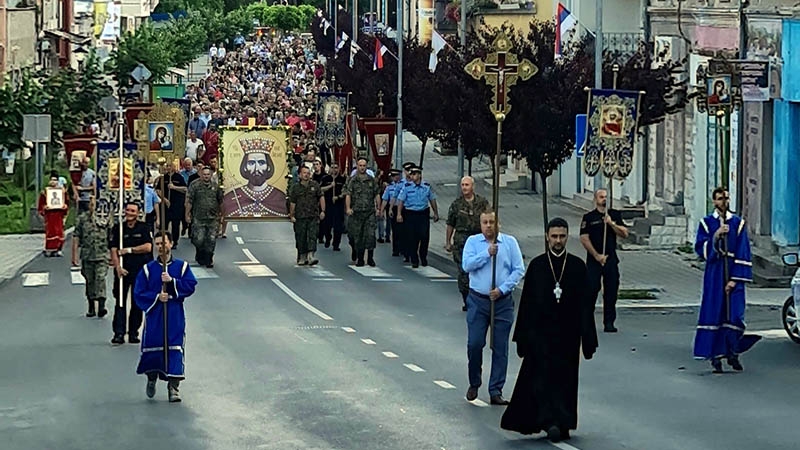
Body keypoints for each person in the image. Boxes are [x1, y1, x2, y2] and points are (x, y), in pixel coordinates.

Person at [501, 218, 598, 442]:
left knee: (566, 380)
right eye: (554, 236)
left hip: (568, 335)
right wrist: (522, 338)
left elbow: (585, 305)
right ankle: (548, 421)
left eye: (562, 236)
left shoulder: (576, 266)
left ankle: (564, 422)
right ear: (547, 237)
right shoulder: (537, 266)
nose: (558, 241)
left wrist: (588, 338)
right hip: (541, 336)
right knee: (542, 380)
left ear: (567, 237)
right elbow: (526, 304)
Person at [462, 211, 525, 406]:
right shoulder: (473, 242)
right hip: (478, 300)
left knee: (500, 347)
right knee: (475, 343)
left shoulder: (509, 242)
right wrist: (486, 253)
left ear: (499, 223)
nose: (489, 226)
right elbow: (467, 265)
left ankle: (496, 389)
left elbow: (518, 269)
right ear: (480, 224)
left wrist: (503, 289)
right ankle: (474, 381)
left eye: (492, 222)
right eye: (485, 222)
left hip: (502, 302)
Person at [694, 187, 757, 373]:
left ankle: (732, 352)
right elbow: (700, 248)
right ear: (714, 201)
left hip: (733, 272)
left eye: (726, 198)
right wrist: (716, 235)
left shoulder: (738, 223)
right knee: (715, 313)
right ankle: (715, 356)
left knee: (734, 315)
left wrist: (735, 279)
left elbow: (743, 251)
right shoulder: (706, 223)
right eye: (720, 199)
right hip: (715, 273)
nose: (724, 202)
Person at [134, 231, 198, 403]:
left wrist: (172, 282)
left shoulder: (182, 267)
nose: (161, 247)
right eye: (158, 244)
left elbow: (191, 285)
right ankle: (151, 377)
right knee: (153, 347)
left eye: (164, 243)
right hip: (155, 315)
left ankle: (173, 387)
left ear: (170, 244)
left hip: (174, 313)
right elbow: (139, 292)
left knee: (174, 348)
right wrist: (156, 297)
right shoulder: (148, 270)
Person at [579, 188, 628, 332]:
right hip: (595, 260)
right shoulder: (589, 217)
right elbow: (584, 238)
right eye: (601, 197)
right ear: (596, 199)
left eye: (606, 197)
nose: (604, 199)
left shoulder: (614, 215)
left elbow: (625, 233)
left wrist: (612, 224)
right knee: (591, 290)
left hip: (611, 259)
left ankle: (609, 322)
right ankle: (587, 321)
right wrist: (596, 256)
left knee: (611, 292)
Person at [109, 202, 153, 345]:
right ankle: (119, 333)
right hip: (123, 270)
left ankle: (133, 332)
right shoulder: (118, 228)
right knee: (120, 302)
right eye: (127, 210)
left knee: (137, 303)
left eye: (133, 211)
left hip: (139, 271)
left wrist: (129, 250)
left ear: (138, 213)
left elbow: (147, 247)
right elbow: (114, 249)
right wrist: (117, 268)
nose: (130, 213)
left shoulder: (144, 228)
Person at [446, 176, 490, 311]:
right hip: (462, 242)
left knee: (480, 271)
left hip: (479, 241)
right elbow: (450, 224)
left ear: (473, 186)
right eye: (462, 185)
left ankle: (479, 300)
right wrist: (448, 242)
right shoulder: (456, 205)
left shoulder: (482, 203)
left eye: (467, 185)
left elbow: (489, 219)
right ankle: (467, 299)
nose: (464, 187)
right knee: (464, 273)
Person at [222, 139, 287, 218]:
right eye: (251, 163)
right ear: (245, 167)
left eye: (261, 163)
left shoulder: (278, 196)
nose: (256, 168)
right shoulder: (232, 196)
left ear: (268, 167)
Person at [72, 196, 110, 318]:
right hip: (87, 255)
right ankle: (91, 306)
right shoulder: (82, 219)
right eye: (91, 204)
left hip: (102, 254)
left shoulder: (105, 217)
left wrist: (113, 254)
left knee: (100, 278)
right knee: (90, 281)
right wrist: (74, 255)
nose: (93, 206)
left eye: (96, 204)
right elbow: (76, 236)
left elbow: (112, 236)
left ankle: (102, 305)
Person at [396, 166, 439, 268]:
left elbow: (432, 199)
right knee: (412, 237)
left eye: (414, 174)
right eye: (411, 174)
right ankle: (414, 259)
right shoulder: (406, 187)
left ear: (419, 175)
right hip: (410, 214)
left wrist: (436, 213)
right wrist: (399, 214)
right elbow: (401, 201)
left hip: (423, 214)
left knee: (424, 237)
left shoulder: (426, 186)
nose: (412, 176)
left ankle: (423, 256)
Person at [345, 158, 381, 267]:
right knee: (358, 236)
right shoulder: (353, 180)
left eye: (364, 165)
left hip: (369, 212)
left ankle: (370, 258)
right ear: (357, 166)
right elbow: (348, 194)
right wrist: (348, 208)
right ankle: (360, 258)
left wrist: (378, 208)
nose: (362, 167)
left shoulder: (371, 180)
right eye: (360, 165)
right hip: (356, 213)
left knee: (370, 235)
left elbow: (377, 194)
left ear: (366, 166)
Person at [186, 167, 223, 268]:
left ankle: (209, 258)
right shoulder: (195, 185)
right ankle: (200, 252)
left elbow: (220, 201)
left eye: (208, 174)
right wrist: (187, 214)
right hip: (198, 217)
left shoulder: (216, 187)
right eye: (204, 174)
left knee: (211, 240)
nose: (206, 176)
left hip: (213, 218)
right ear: (201, 175)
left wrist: (222, 215)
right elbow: (189, 200)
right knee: (199, 239)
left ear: (211, 175)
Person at [289, 165, 325, 265]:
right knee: (301, 236)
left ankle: (311, 256)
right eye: (304, 173)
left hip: (313, 216)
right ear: (300, 175)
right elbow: (293, 202)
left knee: (312, 236)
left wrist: (323, 211)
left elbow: (321, 197)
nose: (306, 175)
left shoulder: (315, 185)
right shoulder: (296, 188)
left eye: (308, 173)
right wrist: (292, 215)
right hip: (300, 217)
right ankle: (302, 256)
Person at [38, 175, 69, 257]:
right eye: (52, 180)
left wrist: (65, 207)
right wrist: (44, 208)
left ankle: (58, 249)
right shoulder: (45, 192)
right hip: (50, 215)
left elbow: (67, 202)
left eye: (55, 180)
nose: (53, 182)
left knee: (59, 232)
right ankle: (49, 249)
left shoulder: (62, 191)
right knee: (50, 232)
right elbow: (41, 204)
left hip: (59, 215)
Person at [380, 169, 403, 256]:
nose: (396, 177)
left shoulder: (404, 185)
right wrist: (382, 211)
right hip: (393, 208)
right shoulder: (389, 188)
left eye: (397, 175)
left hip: (403, 209)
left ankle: (403, 248)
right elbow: (385, 200)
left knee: (403, 230)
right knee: (395, 230)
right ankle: (396, 249)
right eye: (394, 176)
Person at [325, 162, 347, 251]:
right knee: (327, 225)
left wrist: (338, 197)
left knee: (338, 227)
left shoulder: (342, 179)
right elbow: (320, 189)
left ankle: (336, 244)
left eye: (336, 167)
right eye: (332, 167)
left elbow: (346, 192)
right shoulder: (326, 178)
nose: (334, 170)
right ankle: (328, 238)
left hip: (338, 206)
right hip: (328, 205)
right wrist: (330, 186)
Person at [312, 159, 334, 246]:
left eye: (317, 164)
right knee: (319, 221)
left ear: (320, 165)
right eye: (314, 165)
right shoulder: (313, 177)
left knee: (326, 220)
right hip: (316, 200)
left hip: (326, 200)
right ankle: (320, 236)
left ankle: (327, 236)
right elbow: (319, 189)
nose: (315, 166)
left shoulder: (325, 177)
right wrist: (329, 186)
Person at [166, 160, 188, 247]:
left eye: (170, 166)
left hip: (177, 204)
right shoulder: (163, 178)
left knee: (176, 224)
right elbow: (158, 190)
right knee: (165, 224)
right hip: (166, 204)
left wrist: (174, 187)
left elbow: (185, 189)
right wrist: (164, 199)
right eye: (167, 166)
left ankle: (175, 241)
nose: (168, 168)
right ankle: (165, 240)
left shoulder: (179, 177)